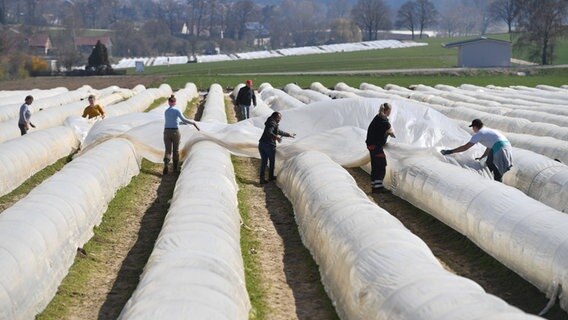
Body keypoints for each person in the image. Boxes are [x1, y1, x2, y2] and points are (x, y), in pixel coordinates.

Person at [441, 118, 513, 182]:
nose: (473, 129)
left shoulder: (479, 133)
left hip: (500, 148)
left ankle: (497, 184)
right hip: (506, 146)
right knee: (489, 163)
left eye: (472, 127)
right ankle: (490, 180)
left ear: (475, 127)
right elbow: (489, 147)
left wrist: (450, 151)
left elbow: (466, 147)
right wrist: (482, 157)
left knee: (496, 167)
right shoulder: (487, 131)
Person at [163, 94, 200, 174]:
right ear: (175, 102)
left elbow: (173, 121)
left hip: (166, 132)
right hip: (175, 132)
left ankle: (166, 164)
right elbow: (184, 119)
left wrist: (182, 123)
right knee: (175, 150)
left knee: (168, 150)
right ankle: (175, 168)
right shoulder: (177, 110)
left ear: (169, 102)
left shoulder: (166, 111)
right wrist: (192, 123)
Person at [366, 102, 396, 193]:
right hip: (376, 146)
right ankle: (378, 187)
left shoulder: (378, 117)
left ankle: (375, 186)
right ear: (388, 110)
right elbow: (392, 134)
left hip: (371, 145)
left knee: (375, 165)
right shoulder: (384, 121)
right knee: (381, 165)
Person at [258, 111, 295, 184]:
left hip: (262, 144)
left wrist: (288, 134)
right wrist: (277, 138)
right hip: (269, 145)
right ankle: (270, 177)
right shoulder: (272, 123)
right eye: (279, 118)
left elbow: (278, 131)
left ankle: (262, 179)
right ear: (275, 117)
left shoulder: (270, 122)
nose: (280, 119)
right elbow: (269, 132)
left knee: (264, 162)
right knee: (272, 161)